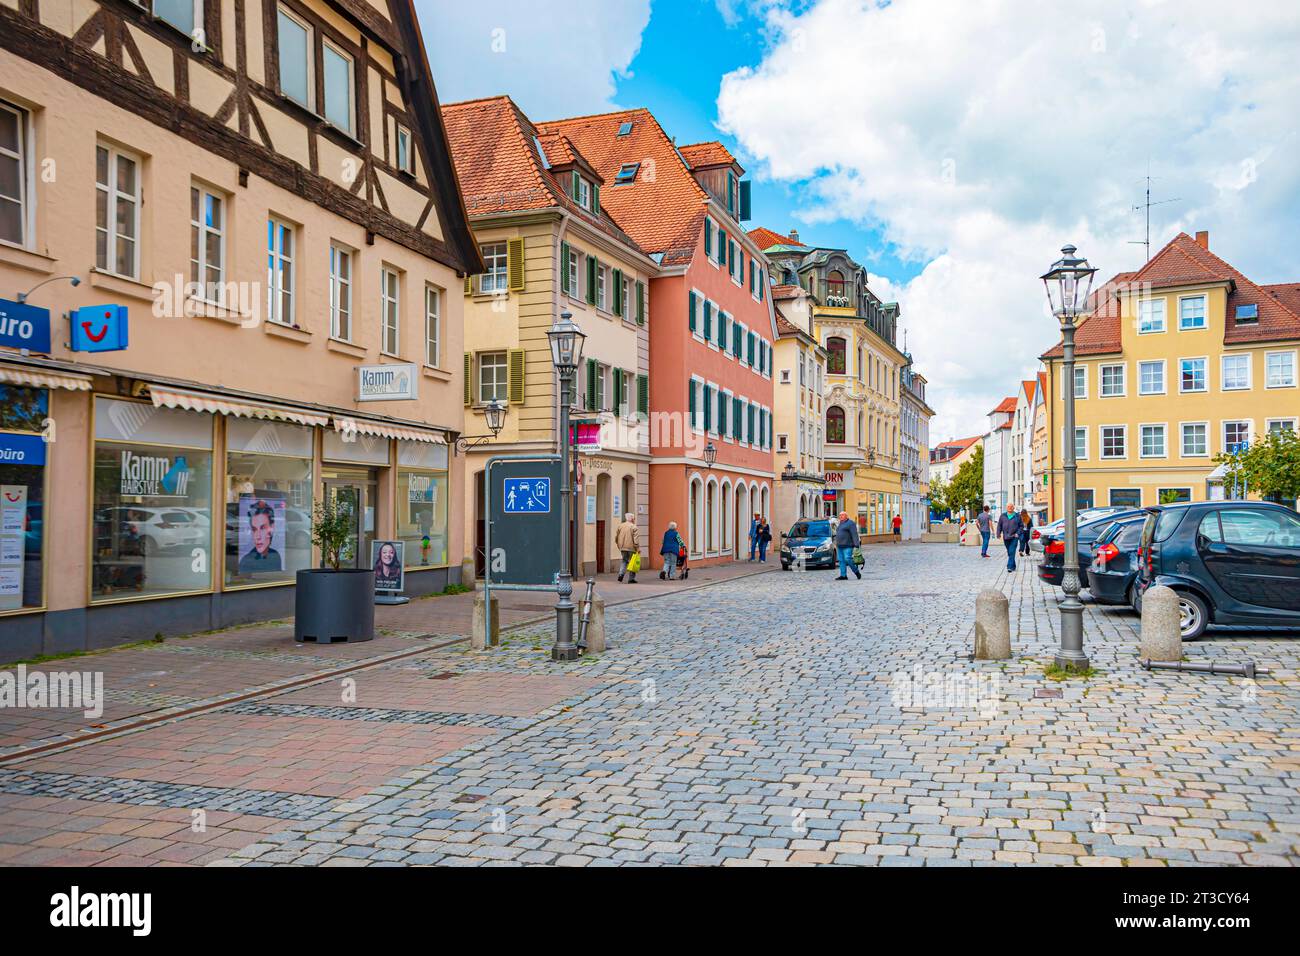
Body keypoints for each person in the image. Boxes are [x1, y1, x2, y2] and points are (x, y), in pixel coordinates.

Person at [239, 499, 283, 573]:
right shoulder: (246, 561)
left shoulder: (275, 556)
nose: (258, 536)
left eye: (262, 528)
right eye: (254, 529)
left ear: (272, 527)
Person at [833, 511, 862, 580]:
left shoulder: (851, 523)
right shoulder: (840, 523)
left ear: (846, 516)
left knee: (848, 559)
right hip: (839, 546)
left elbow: (854, 534)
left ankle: (856, 571)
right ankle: (843, 575)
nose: (841, 517)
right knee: (841, 561)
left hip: (848, 545)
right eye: (840, 515)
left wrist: (856, 544)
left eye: (842, 515)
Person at [614, 512, 639, 583]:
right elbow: (636, 539)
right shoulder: (634, 527)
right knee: (632, 562)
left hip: (622, 547)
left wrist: (619, 545)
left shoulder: (620, 526)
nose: (634, 519)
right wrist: (637, 548)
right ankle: (631, 579)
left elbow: (616, 537)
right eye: (634, 518)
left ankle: (621, 574)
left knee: (624, 561)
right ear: (632, 519)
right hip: (631, 547)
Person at [996, 503, 1021, 571]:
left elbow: (1021, 526)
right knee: (1010, 552)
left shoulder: (1017, 516)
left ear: (1013, 508)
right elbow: (999, 525)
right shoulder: (1003, 516)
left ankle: (1009, 567)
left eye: (1011, 506)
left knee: (1012, 551)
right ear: (1006, 508)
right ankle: (1013, 566)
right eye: (1008, 507)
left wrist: (1018, 533)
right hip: (1006, 537)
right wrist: (998, 534)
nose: (1010, 508)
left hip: (1014, 537)